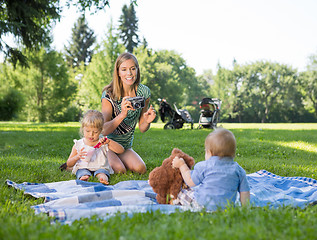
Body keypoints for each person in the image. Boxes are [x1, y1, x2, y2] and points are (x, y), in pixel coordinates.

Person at [101, 52, 156, 174]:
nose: (129, 74)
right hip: (106, 144)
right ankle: (97, 158)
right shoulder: (109, 95)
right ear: (118, 72)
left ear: (137, 70)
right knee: (120, 170)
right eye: (124, 69)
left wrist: (147, 121)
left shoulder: (144, 92)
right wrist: (122, 115)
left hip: (125, 146)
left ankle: (117, 159)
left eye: (132, 69)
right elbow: (103, 130)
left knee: (140, 169)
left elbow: (142, 128)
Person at [172, 128, 250, 210]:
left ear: (210, 153)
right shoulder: (239, 170)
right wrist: (245, 209)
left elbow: (190, 181)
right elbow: (245, 192)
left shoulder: (203, 166)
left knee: (182, 193)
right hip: (227, 208)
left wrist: (182, 165)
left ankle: (172, 200)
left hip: (202, 206)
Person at [66, 110, 124, 184]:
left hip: (100, 167)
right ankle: (84, 178)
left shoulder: (103, 143)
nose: (91, 134)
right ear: (83, 128)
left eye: (95, 132)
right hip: (83, 167)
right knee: (82, 172)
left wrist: (109, 142)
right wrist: (77, 156)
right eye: (87, 131)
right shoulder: (79, 144)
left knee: (102, 173)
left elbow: (121, 150)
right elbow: (69, 163)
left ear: (101, 130)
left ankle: (103, 178)